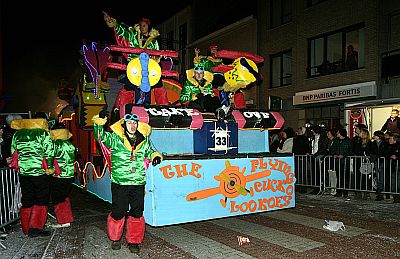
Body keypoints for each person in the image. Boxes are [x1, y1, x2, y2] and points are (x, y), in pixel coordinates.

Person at [92, 109, 163, 254]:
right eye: (129, 123)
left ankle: (134, 241)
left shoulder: (143, 140)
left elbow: (149, 151)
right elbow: (100, 137)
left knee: (137, 212)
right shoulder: (115, 139)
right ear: (124, 125)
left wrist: (155, 155)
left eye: (135, 123)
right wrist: (100, 123)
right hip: (120, 182)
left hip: (137, 182)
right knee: (119, 211)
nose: (132, 125)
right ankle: (115, 238)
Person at [103, 12, 168, 106]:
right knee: (129, 86)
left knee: (158, 84)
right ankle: (123, 107)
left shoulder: (153, 41)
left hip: (149, 69)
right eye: (141, 26)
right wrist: (113, 22)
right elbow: (122, 32)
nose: (143, 28)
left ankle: (163, 106)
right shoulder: (133, 36)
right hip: (135, 68)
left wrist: (155, 59)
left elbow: (157, 55)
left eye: (144, 26)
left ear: (148, 27)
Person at [10, 114, 54, 237]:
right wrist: (50, 167)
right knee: (41, 199)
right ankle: (35, 229)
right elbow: (49, 152)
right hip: (39, 172)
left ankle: (26, 228)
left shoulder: (18, 134)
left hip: (24, 173)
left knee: (27, 198)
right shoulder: (43, 133)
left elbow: (13, 152)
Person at [49, 123, 76, 228]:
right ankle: (66, 218)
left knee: (58, 198)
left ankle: (63, 221)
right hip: (69, 175)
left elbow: (49, 158)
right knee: (64, 197)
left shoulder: (54, 144)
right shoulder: (69, 144)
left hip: (58, 175)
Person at [329, 128, 352, 198]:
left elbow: (350, 150)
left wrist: (344, 155)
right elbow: (332, 149)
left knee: (345, 177)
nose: (337, 133)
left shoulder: (348, 141)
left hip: (345, 161)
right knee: (338, 177)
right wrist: (334, 154)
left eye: (338, 132)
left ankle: (345, 192)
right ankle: (339, 191)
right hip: (337, 161)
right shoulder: (336, 140)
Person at [367, 130, 389, 201]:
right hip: (377, 161)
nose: (374, 136)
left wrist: (379, 156)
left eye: (375, 135)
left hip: (383, 161)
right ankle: (380, 193)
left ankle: (382, 192)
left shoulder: (385, 143)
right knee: (379, 177)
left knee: (382, 177)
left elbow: (386, 152)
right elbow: (370, 151)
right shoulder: (373, 143)